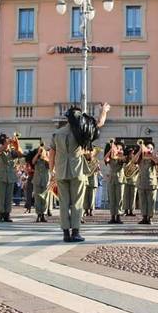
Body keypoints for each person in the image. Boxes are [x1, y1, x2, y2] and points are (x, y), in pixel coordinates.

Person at [49, 103, 110, 242]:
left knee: (63, 202)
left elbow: (51, 153)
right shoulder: (82, 131)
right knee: (77, 202)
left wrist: (51, 171)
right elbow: (100, 123)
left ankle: (65, 233)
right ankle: (75, 232)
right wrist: (104, 111)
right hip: (77, 171)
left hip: (61, 171)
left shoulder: (57, 133)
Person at [0, 133, 23, 222]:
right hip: (1, 176)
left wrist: (17, 143)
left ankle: (7, 214)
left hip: (11, 176)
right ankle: (1, 214)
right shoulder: (0, 149)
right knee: (1, 196)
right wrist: (7, 144)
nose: (9, 140)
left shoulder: (13, 151)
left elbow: (20, 153)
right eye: (7, 139)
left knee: (9, 197)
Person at [134, 141, 158, 225]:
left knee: (151, 201)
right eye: (148, 147)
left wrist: (151, 154)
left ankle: (150, 217)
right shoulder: (140, 157)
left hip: (151, 182)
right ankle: (144, 217)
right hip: (141, 182)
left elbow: (157, 161)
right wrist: (141, 150)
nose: (149, 149)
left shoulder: (153, 156)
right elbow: (133, 160)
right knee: (143, 201)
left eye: (151, 148)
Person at [105, 139, 126, 224]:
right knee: (112, 198)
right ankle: (112, 216)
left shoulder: (122, 157)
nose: (118, 149)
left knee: (119, 198)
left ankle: (118, 216)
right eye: (117, 148)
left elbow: (123, 160)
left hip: (120, 179)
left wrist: (119, 152)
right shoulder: (111, 157)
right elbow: (106, 159)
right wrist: (111, 149)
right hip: (111, 180)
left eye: (120, 148)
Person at [32, 143, 51, 222]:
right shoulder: (37, 159)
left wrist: (46, 155)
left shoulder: (47, 159)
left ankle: (43, 214)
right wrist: (38, 154)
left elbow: (50, 165)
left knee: (45, 198)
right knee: (37, 198)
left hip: (45, 181)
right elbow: (33, 162)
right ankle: (38, 214)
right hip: (37, 181)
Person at [83, 147, 100, 217]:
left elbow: (98, 170)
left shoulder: (96, 161)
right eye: (89, 152)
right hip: (86, 180)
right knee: (85, 196)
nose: (90, 153)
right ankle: (86, 210)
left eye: (91, 152)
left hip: (93, 180)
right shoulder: (84, 160)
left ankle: (91, 210)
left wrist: (97, 169)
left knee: (92, 197)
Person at [123, 146, 138, 217]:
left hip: (134, 181)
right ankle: (126, 210)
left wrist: (137, 168)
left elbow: (138, 172)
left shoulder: (136, 163)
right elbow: (123, 171)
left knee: (133, 196)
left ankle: (131, 210)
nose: (132, 155)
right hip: (126, 181)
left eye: (133, 154)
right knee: (126, 196)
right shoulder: (125, 162)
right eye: (131, 154)